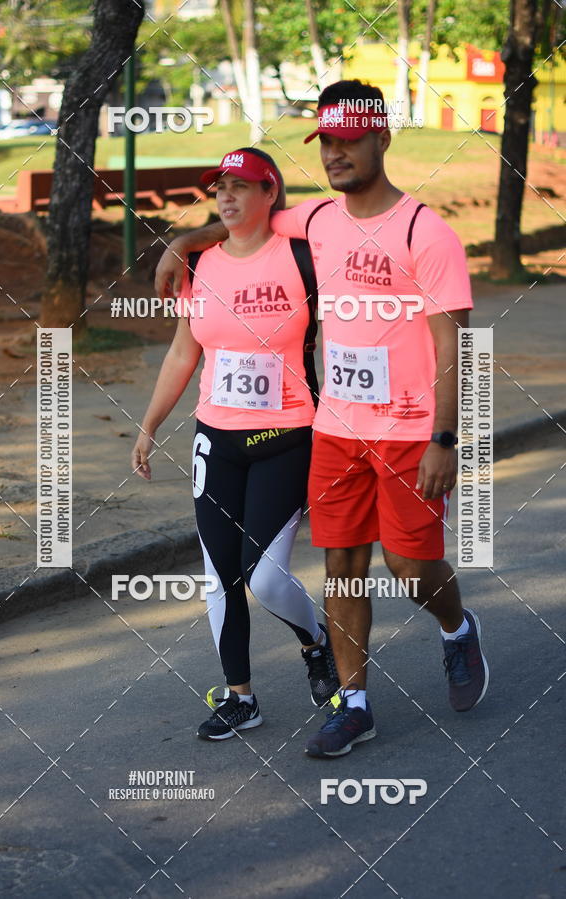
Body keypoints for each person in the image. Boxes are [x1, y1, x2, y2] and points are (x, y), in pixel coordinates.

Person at [153, 82, 490, 758]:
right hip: (335, 428)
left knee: (409, 563)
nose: (336, 154)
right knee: (341, 565)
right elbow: (247, 221)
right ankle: (354, 701)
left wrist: (445, 438)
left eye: (349, 141)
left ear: (382, 138)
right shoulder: (317, 220)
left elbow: (455, 340)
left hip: (408, 429)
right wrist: (186, 238)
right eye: (326, 143)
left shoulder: (428, 231)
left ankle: (456, 627)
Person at [132, 147, 339, 741]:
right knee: (218, 574)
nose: (227, 196)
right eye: (220, 187)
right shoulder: (201, 268)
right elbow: (182, 352)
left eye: (242, 186)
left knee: (266, 579)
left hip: (288, 436)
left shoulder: (305, 257)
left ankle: (316, 638)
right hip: (215, 440)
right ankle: (240, 696)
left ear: (270, 193)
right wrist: (148, 425)